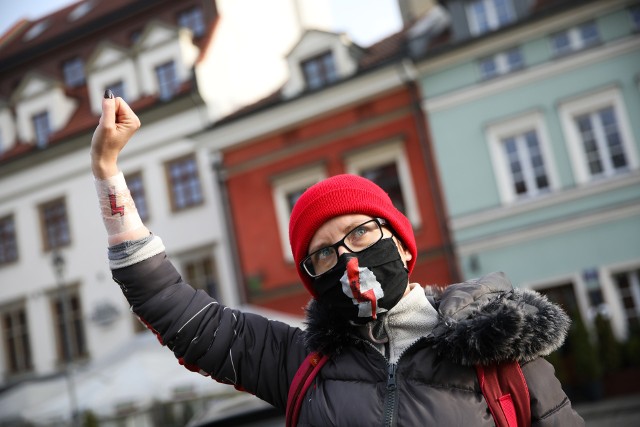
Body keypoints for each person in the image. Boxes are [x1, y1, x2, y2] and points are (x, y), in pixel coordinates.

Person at [91, 90, 584, 426]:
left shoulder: (498, 348)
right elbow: (174, 308)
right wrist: (108, 172)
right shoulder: (299, 364)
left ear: (402, 244)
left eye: (361, 232)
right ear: (311, 277)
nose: (348, 259)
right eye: (324, 252)